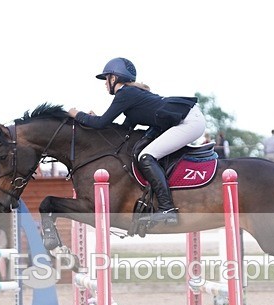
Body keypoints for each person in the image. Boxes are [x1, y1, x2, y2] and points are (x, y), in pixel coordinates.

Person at [69, 57, 206, 226]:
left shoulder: (125, 93)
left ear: (114, 78)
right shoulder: (130, 97)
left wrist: (78, 114)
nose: (105, 83)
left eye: (106, 78)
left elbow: (101, 124)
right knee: (145, 152)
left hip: (189, 121)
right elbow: (121, 130)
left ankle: (167, 208)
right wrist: (93, 118)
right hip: (186, 119)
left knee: (146, 156)